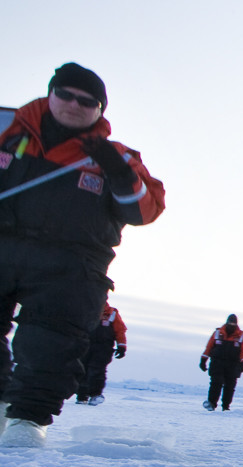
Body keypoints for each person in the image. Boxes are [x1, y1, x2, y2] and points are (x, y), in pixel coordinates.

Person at [0, 63, 164, 447]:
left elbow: (145, 211)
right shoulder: (7, 135)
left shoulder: (116, 155)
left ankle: (27, 421)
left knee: (51, 341)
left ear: (100, 110)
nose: (74, 105)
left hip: (71, 263)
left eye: (87, 101)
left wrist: (119, 173)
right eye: (66, 94)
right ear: (50, 94)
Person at [75, 302, 127, 405]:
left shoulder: (112, 313)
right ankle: (82, 395)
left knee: (97, 370)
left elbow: (120, 330)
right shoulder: (85, 310)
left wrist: (121, 346)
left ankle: (96, 395)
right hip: (85, 345)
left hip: (103, 347)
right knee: (82, 369)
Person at [200, 314, 243, 411]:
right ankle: (211, 404)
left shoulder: (242, 335)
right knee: (216, 382)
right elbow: (209, 347)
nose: (231, 325)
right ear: (226, 322)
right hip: (217, 362)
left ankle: (226, 406)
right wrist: (203, 360)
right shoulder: (217, 333)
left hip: (233, 364)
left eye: (233, 324)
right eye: (230, 323)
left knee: (230, 385)